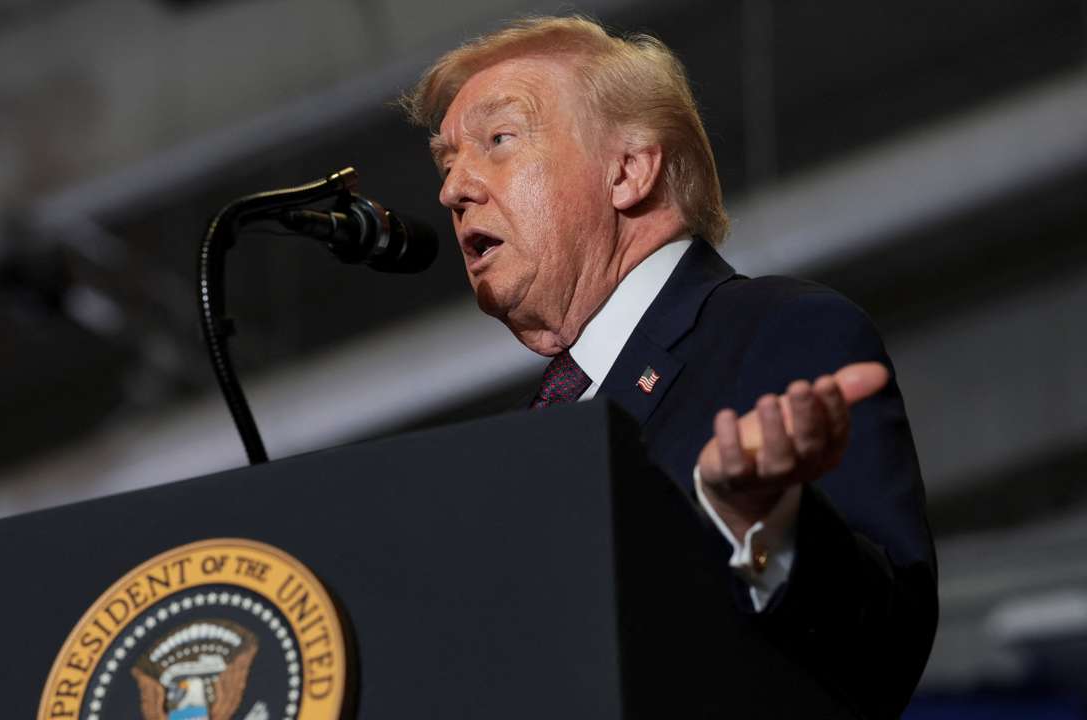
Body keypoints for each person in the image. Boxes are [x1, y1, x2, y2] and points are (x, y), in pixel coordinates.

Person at [401, 15, 936, 718]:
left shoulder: (777, 331)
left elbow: (884, 653)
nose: (452, 189)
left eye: (500, 140)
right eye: (447, 161)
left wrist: (764, 520)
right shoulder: (525, 434)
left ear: (629, 169)